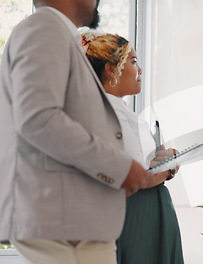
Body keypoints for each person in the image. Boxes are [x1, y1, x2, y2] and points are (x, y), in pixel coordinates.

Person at [0, 0, 153, 264]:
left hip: (72, 223)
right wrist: (120, 167)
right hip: (59, 222)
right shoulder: (44, 29)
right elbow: (39, 118)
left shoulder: (56, 35)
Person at [82, 31, 184, 264]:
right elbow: (133, 176)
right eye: (134, 61)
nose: (140, 70)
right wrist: (168, 168)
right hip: (137, 212)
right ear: (110, 69)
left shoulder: (122, 110)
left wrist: (163, 160)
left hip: (148, 208)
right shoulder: (109, 112)